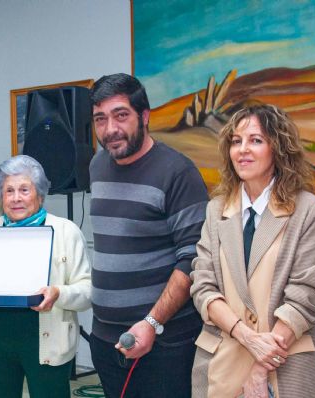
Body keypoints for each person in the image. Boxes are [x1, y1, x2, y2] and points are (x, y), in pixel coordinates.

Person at [190, 104, 315, 397]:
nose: (243, 150)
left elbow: (306, 296)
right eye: (236, 141)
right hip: (223, 362)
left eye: (256, 140)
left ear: (278, 148)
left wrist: (260, 368)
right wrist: (246, 336)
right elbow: (203, 287)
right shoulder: (216, 210)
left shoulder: (308, 210)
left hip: (285, 365)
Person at [88, 73, 208, 397]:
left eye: (121, 115)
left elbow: (193, 260)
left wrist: (152, 323)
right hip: (105, 340)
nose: (110, 129)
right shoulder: (97, 165)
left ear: (144, 116)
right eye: (101, 119)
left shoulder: (178, 172)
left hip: (164, 342)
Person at [0, 155, 92, 398]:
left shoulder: (66, 232)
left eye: (24, 190)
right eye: (9, 190)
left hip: (47, 343)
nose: (16, 198)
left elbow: (87, 290)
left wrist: (58, 293)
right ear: (1, 196)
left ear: (39, 194)